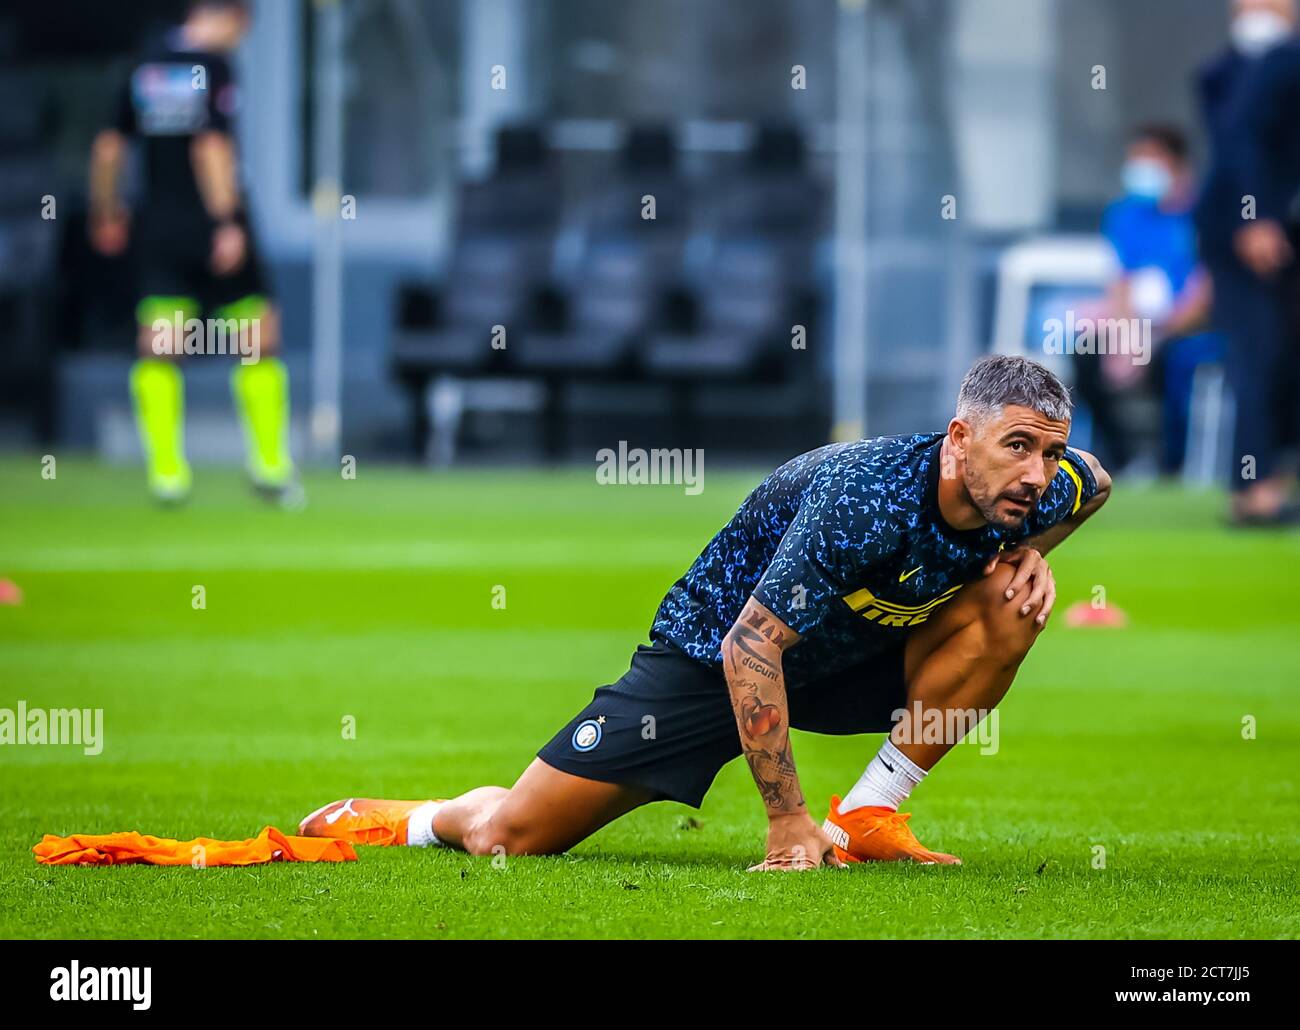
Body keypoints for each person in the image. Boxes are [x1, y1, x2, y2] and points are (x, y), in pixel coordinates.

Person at [298, 356, 1111, 871]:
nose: (1038, 473)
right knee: (513, 838)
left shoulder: (1043, 485)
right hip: (713, 659)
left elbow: (1098, 481)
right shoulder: (863, 497)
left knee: (1012, 604)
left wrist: (1027, 552)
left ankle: (868, 812)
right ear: (957, 438)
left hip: (843, 655)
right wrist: (788, 823)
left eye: (1049, 450)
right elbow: (749, 649)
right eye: (1017, 447)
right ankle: (424, 817)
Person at [87, 0, 298, 505]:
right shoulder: (215, 67)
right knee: (257, 338)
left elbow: (109, 150)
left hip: (159, 224)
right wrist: (225, 221)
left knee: (160, 347)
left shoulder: (143, 66)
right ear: (230, 17)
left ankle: (167, 474)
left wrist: (106, 211)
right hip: (213, 220)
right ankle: (269, 467)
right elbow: (211, 148)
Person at [1195, 0, 1300, 525]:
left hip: (1284, 232)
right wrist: (1253, 217)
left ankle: (1271, 480)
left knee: (1283, 358)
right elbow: (1241, 140)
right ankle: (1254, 492)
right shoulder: (1243, 66)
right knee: (1258, 354)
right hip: (1247, 234)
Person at [1074, 125, 1220, 477]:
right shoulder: (1125, 215)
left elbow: (1206, 293)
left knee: (1178, 361)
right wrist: (1128, 335)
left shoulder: (1208, 214)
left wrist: (1158, 335)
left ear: (1177, 163)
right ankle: (1119, 458)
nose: (1139, 168)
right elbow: (1120, 281)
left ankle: (1173, 463)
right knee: (1084, 349)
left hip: (1193, 328)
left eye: (1148, 159)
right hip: (1136, 324)